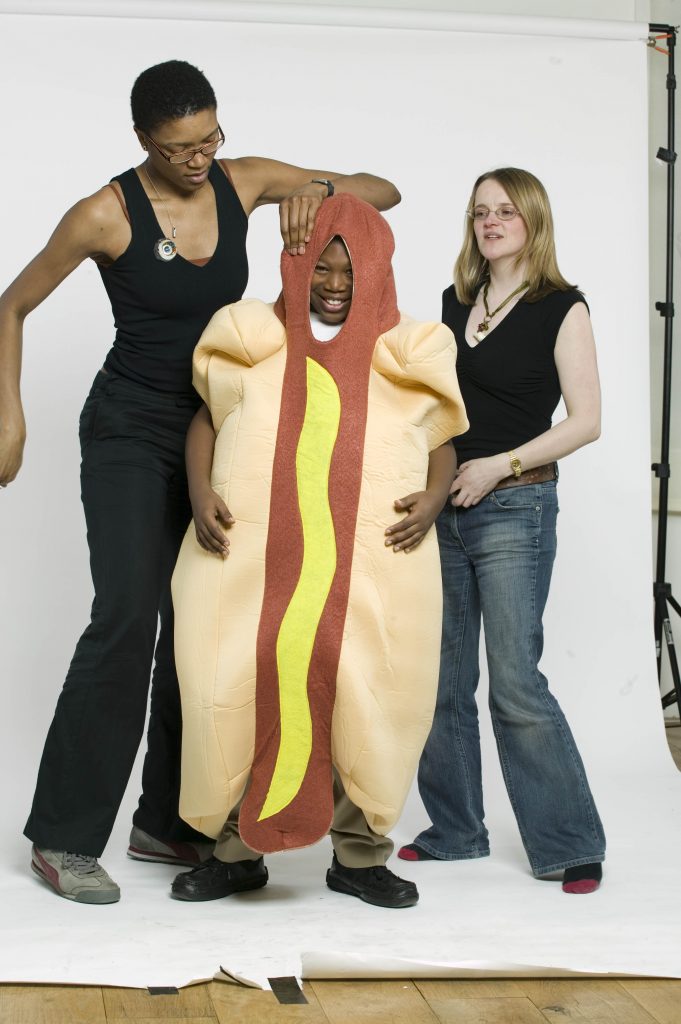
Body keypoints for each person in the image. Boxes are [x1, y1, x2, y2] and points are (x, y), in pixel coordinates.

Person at [0, 59, 400, 904]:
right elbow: (10, 305)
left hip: (221, 432)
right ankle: (63, 838)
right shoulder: (103, 214)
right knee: (126, 619)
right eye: (181, 146)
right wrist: (11, 416)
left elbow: (382, 190)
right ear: (143, 140)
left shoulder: (242, 179)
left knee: (203, 626)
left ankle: (167, 822)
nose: (199, 158)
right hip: (129, 432)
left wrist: (317, 190)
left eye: (210, 138)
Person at [167, 193, 469, 908]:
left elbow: (441, 443)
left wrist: (432, 499)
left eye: (349, 271)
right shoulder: (252, 339)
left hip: (369, 558)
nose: (334, 284)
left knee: (364, 688)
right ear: (296, 268)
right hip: (253, 556)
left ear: (377, 274)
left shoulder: (407, 352)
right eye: (320, 269)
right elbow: (208, 420)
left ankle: (359, 858)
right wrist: (199, 489)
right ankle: (235, 853)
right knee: (241, 680)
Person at [398, 167, 606, 895]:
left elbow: (585, 422)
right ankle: (455, 831)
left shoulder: (560, 307)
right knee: (441, 681)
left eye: (505, 212)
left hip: (516, 506)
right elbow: (435, 414)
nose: (490, 222)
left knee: (514, 682)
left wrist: (498, 466)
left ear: (531, 221)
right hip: (445, 508)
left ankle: (569, 842)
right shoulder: (453, 306)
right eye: (480, 212)